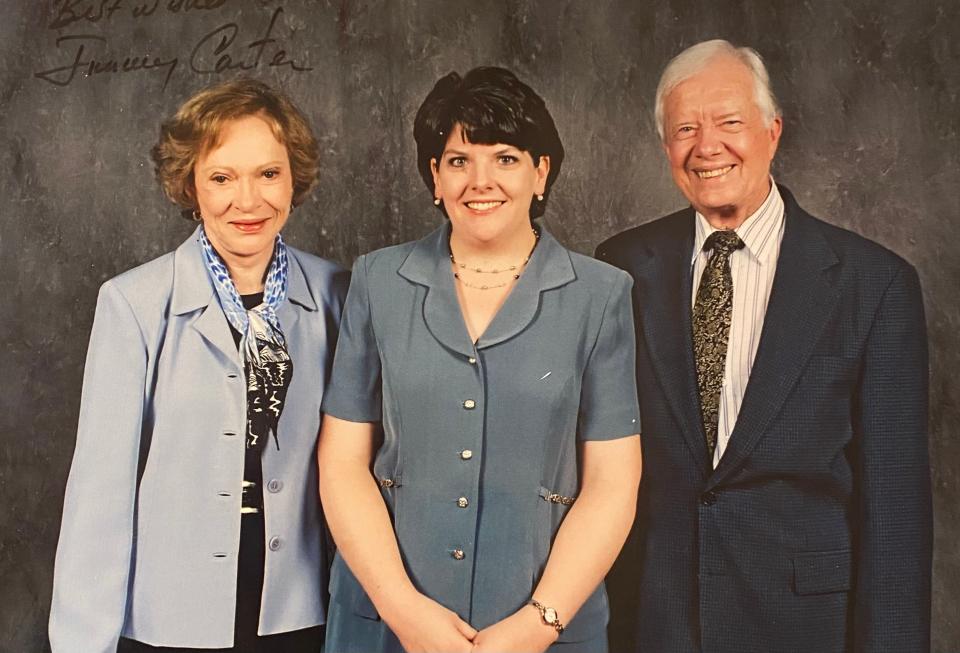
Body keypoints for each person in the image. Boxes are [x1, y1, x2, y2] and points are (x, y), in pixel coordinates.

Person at [596, 39, 932, 653]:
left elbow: (896, 515)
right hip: (653, 622)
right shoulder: (620, 268)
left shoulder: (873, 283)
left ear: (773, 132)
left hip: (805, 627)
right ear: (665, 147)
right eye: (685, 129)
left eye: (729, 122)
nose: (707, 147)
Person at [317, 66, 642, 653]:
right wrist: (404, 612)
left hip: (546, 630)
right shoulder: (376, 281)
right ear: (435, 177)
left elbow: (613, 485)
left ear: (541, 172)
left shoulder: (602, 294)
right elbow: (342, 464)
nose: (480, 180)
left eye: (506, 158)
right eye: (459, 160)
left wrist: (535, 627)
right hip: (384, 626)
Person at [49, 79, 349, 652]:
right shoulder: (132, 303)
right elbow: (100, 495)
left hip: (302, 605)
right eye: (221, 177)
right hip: (174, 611)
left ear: (294, 178)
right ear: (190, 183)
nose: (248, 200)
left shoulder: (340, 293)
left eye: (268, 173)